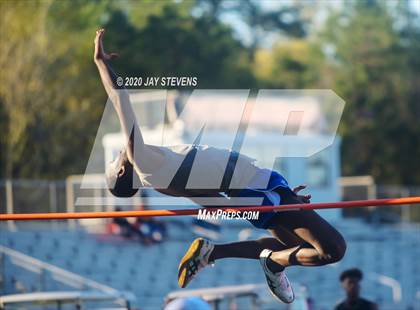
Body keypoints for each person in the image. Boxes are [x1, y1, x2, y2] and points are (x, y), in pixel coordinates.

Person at [93, 28, 346, 304]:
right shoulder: (141, 161)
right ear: (121, 171)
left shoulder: (160, 174)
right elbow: (120, 99)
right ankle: (270, 264)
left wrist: (280, 198)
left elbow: (215, 202)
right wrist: (101, 63)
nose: (120, 152)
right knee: (333, 250)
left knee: (296, 247)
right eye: (116, 159)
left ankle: (220, 254)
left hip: (256, 186)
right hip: (253, 187)